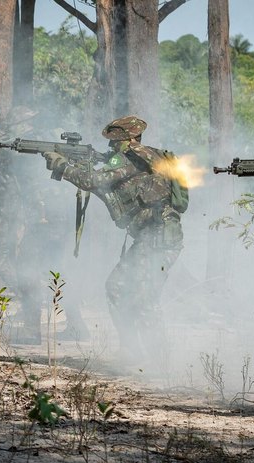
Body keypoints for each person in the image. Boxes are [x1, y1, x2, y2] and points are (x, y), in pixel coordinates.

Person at [42, 115, 186, 358]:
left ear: (128, 140)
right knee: (117, 287)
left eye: (114, 143)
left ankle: (160, 362)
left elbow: (93, 180)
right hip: (149, 237)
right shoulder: (145, 156)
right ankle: (131, 352)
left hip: (158, 236)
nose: (111, 147)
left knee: (144, 297)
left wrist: (62, 165)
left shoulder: (134, 159)